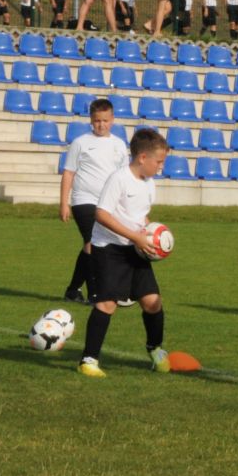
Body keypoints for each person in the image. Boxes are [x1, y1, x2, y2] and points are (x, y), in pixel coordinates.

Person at [77, 128, 173, 378]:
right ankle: (88, 360)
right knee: (107, 303)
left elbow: (141, 215)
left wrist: (152, 235)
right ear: (142, 157)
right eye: (159, 161)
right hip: (109, 249)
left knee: (152, 301)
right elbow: (101, 214)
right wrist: (136, 237)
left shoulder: (149, 183)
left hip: (135, 249)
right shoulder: (119, 179)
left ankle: (155, 349)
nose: (161, 166)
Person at [60, 98, 131, 305]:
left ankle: (73, 290)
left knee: (94, 245)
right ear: (91, 120)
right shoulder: (80, 143)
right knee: (92, 242)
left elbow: (123, 177)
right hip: (83, 200)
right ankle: (95, 294)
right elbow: (69, 173)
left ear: (112, 119)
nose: (101, 125)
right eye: (97, 121)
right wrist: (64, 203)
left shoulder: (119, 145)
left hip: (107, 203)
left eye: (105, 120)